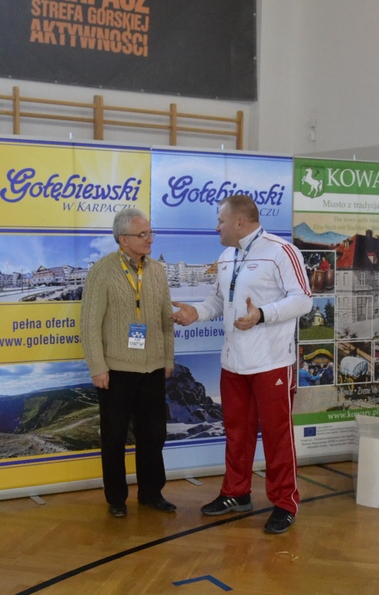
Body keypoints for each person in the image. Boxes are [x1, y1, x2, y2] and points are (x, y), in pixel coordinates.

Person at [172, 194, 312, 534]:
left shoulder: (281, 251)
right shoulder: (226, 256)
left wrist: (262, 314)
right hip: (233, 363)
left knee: (277, 436)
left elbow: (303, 300)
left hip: (272, 363)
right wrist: (196, 312)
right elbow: (219, 300)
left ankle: (284, 502)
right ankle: (236, 493)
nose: (216, 227)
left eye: (220, 221)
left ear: (239, 221)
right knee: (237, 432)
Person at [80, 208, 176, 517]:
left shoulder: (157, 270)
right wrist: (97, 367)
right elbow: (89, 324)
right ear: (123, 239)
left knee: (153, 436)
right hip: (116, 371)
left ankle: (151, 493)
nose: (150, 239)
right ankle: (116, 499)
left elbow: (166, 319)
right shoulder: (102, 271)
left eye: (150, 233)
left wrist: (168, 357)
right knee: (114, 438)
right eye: (143, 234)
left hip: (153, 368)